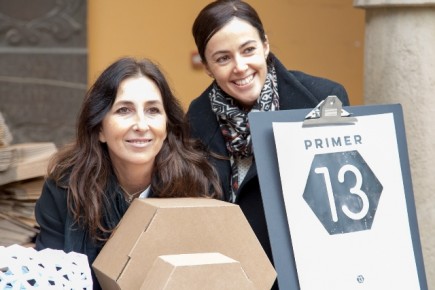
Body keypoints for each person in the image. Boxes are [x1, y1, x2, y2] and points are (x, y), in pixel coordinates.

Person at [187, 1, 349, 288]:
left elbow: (343, 202)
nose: (240, 67)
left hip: (310, 273)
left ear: (265, 45)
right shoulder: (196, 120)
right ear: (208, 67)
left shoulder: (323, 100)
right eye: (223, 58)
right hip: (234, 278)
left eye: (248, 50)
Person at [34, 57, 222, 289]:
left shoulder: (196, 185)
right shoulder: (64, 189)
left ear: (167, 125)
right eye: (124, 110)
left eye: (153, 110)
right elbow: (47, 279)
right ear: (100, 128)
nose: (141, 125)